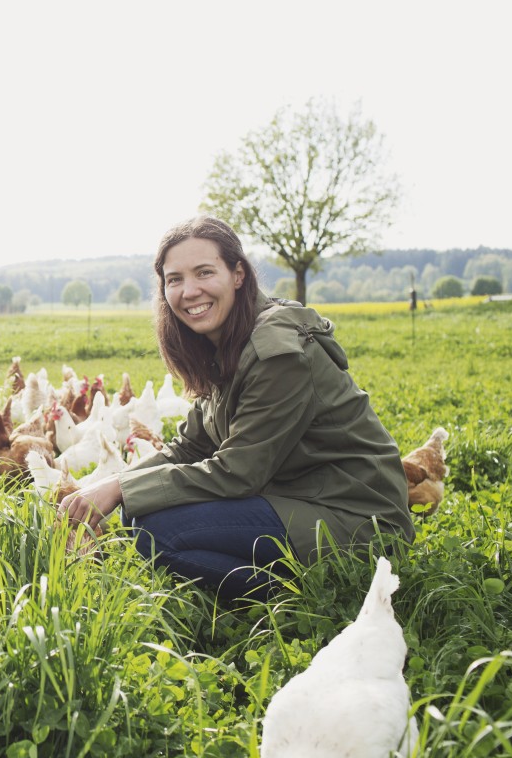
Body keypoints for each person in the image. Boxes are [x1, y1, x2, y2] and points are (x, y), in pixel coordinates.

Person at [58, 216, 414, 600]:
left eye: (204, 273)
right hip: (297, 497)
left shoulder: (276, 352)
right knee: (142, 516)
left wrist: (121, 489)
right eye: (174, 279)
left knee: (153, 529)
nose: (189, 290)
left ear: (238, 274)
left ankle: (305, 594)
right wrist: (98, 489)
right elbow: (189, 448)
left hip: (358, 520)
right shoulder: (226, 343)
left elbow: (237, 473)